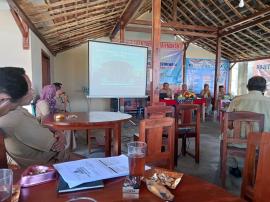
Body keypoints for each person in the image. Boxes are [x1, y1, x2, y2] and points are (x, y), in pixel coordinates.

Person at [0, 67, 69, 168]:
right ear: (5, 97)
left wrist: (57, 130)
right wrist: (60, 134)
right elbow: (56, 145)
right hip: (52, 166)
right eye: (28, 89)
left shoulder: (15, 109)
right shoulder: (15, 119)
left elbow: (39, 121)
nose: (33, 91)